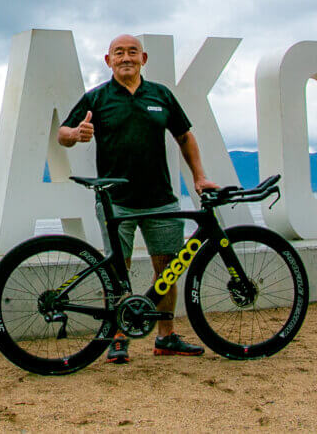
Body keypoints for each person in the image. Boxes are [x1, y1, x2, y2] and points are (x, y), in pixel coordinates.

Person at [58, 34, 219, 364]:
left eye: (132, 52)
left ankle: (166, 336)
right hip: (115, 201)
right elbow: (63, 134)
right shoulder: (98, 98)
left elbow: (185, 136)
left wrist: (200, 177)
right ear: (108, 61)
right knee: (118, 273)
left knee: (167, 271)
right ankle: (118, 337)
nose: (126, 57)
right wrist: (76, 135)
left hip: (160, 198)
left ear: (143, 59)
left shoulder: (160, 95)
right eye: (119, 53)